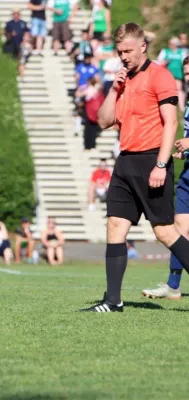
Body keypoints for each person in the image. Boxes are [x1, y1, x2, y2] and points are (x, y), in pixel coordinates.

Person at [83, 23, 189, 313]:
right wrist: (114, 89)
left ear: (143, 46)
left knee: (165, 231)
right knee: (115, 225)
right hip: (126, 160)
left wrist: (160, 164)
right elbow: (103, 121)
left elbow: (171, 123)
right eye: (120, 52)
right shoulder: (122, 80)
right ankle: (113, 301)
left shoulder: (160, 75)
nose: (124, 56)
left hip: (152, 159)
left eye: (128, 50)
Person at [141, 56, 189, 301]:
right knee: (179, 230)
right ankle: (173, 285)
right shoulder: (187, 101)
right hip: (188, 175)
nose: (188, 78)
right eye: (187, 73)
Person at [158, 37, 186, 113]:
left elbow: (185, 62)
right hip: (166, 75)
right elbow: (159, 62)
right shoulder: (165, 51)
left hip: (178, 74)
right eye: (170, 44)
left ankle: (181, 108)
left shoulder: (181, 52)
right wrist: (164, 62)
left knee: (179, 89)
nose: (170, 45)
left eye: (172, 44)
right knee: (167, 90)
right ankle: (168, 106)